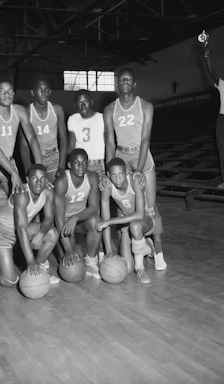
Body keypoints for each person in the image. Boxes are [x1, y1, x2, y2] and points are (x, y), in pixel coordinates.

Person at [103, 67, 166, 270]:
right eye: (121, 79)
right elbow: (110, 143)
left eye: (128, 78)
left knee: (150, 206)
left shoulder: (145, 106)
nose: (125, 81)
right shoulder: (110, 109)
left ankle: (158, 250)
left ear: (135, 83)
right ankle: (133, 246)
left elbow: (146, 138)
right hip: (121, 156)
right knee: (125, 207)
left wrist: (139, 169)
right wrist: (108, 170)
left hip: (141, 156)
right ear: (117, 84)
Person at [0, 79, 43, 251]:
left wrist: (40, 168)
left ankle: (25, 248)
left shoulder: (20, 111)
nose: (6, 94)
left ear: (14, 93)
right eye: (2, 91)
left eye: (10, 91)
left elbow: (32, 139)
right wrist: (13, 173)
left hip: (9, 163)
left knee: (22, 208)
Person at [0, 164, 60, 287]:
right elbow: (21, 228)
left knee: (52, 233)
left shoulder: (48, 191)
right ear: (27, 180)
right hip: (2, 232)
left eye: (43, 178)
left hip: (19, 232)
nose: (39, 182)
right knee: (9, 281)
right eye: (34, 178)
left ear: (47, 180)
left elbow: (49, 218)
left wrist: (41, 233)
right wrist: (30, 261)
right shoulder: (22, 194)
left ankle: (39, 270)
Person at [96, 158, 166, 283]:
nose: (118, 179)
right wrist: (109, 250)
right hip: (125, 225)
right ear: (108, 175)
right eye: (114, 175)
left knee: (135, 225)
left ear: (126, 172)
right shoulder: (107, 187)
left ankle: (140, 269)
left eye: (121, 174)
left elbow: (139, 215)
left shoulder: (134, 181)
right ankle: (147, 246)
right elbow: (104, 220)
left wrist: (110, 222)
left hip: (146, 220)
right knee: (127, 269)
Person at [54, 148, 102, 277]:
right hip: (63, 225)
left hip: (79, 220)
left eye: (84, 162)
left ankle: (91, 261)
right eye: (76, 163)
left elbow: (94, 208)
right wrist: (68, 249)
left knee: (97, 221)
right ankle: (71, 248)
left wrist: (75, 218)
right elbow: (58, 220)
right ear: (69, 165)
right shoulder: (62, 181)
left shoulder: (92, 177)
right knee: (71, 264)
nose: (81, 166)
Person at [19, 77, 67, 183]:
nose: (43, 93)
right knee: (39, 194)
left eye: (46, 90)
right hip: (36, 157)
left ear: (50, 92)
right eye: (39, 90)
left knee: (54, 193)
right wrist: (28, 169)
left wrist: (62, 166)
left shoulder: (57, 109)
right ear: (32, 92)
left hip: (54, 157)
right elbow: (23, 146)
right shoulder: (26, 112)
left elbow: (64, 139)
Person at [68, 89, 105, 180]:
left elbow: (109, 144)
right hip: (80, 165)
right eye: (80, 102)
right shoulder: (73, 119)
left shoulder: (102, 118)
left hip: (98, 165)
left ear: (91, 102)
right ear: (75, 105)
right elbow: (71, 146)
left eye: (86, 102)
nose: (83, 105)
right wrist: (70, 164)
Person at [202, 44, 224, 188]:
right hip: (222, 119)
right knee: (222, 149)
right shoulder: (222, 84)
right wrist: (207, 57)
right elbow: (212, 73)